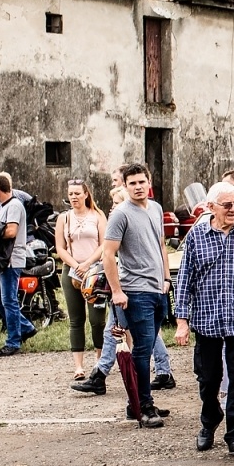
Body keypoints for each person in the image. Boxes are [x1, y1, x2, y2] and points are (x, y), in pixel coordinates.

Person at [174, 182, 234, 459]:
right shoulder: (196, 237)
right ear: (211, 208)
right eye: (227, 205)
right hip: (206, 319)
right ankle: (209, 421)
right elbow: (185, 281)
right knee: (208, 379)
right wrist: (182, 321)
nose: (233, 210)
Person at [102, 164, 173, 427]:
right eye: (132, 183)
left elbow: (161, 245)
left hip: (157, 290)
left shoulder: (155, 208)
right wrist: (118, 291)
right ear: (125, 186)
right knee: (142, 350)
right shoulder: (120, 214)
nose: (138, 187)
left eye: (142, 182)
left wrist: (166, 278)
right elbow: (108, 254)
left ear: (149, 182)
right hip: (135, 290)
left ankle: (138, 401)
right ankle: (144, 406)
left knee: (146, 347)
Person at [55, 178, 107, 381]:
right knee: (76, 319)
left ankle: (100, 361)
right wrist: (76, 265)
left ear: (86, 194)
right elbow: (60, 247)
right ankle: (78, 365)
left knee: (97, 320)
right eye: (71, 194)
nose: (74, 197)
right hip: (72, 270)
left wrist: (88, 264)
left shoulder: (97, 215)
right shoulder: (64, 218)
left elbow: (104, 244)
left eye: (77, 193)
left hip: (95, 270)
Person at [0, 174, 37, 357]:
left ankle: (13, 341)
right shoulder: (4, 207)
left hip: (10, 260)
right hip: (1, 260)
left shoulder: (14, 205)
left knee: (9, 300)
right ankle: (26, 327)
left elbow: (11, 231)